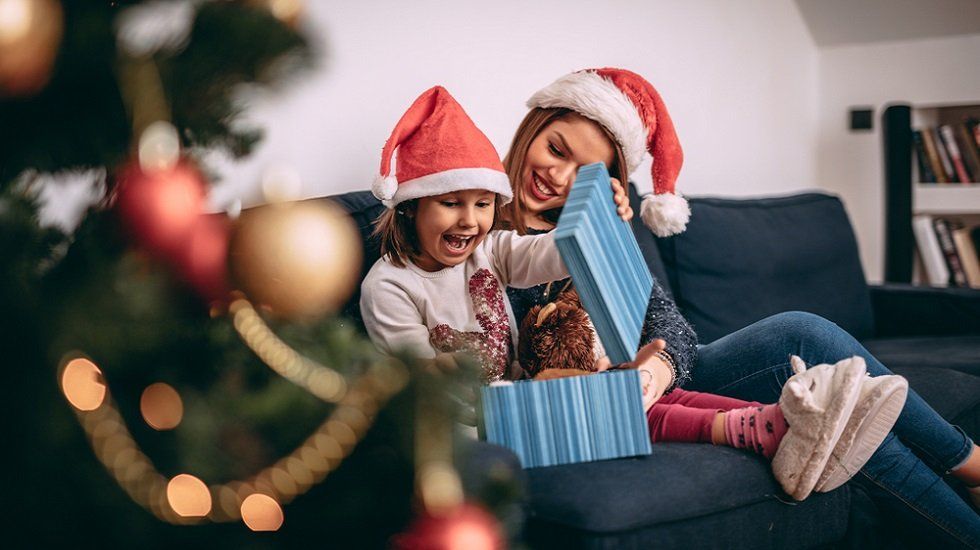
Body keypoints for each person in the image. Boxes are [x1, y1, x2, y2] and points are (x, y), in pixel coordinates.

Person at [500, 66, 980, 546]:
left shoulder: (594, 227)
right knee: (846, 417)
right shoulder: (468, 228)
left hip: (659, 375)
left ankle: (969, 464)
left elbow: (672, 327)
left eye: (582, 173)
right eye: (556, 149)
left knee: (801, 333)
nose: (556, 177)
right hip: (587, 390)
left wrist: (653, 374)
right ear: (533, 129)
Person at [359, 85, 901, 502]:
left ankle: (780, 422)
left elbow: (551, 256)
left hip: (537, 390)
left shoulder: (491, 248)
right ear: (411, 204)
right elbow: (425, 379)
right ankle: (756, 429)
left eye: (480, 204)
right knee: (621, 406)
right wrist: (543, 393)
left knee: (644, 395)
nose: (470, 219)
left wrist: (597, 227)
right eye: (451, 203)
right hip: (482, 416)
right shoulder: (390, 285)